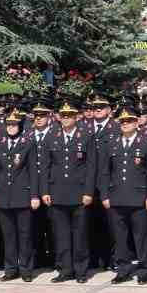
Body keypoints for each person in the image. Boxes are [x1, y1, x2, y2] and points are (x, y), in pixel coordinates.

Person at [101, 107, 147, 284]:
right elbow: (105, 173)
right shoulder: (112, 143)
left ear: (136, 122)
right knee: (120, 238)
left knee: (141, 237)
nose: (125, 124)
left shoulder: (145, 143)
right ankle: (123, 269)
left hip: (138, 198)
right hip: (116, 197)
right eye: (122, 122)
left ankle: (143, 270)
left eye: (129, 121)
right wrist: (104, 195)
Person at [43, 101, 95, 283]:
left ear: (76, 117)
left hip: (79, 193)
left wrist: (89, 192)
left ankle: (81, 271)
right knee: (61, 235)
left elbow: (91, 167)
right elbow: (46, 166)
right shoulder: (52, 137)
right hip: (57, 193)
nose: (66, 119)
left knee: (80, 235)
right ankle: (65, 270)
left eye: (69, 116)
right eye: (63, 116)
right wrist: (45, 191)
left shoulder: (86, 136)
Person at [0, 109, 41, 282]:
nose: (11, 128)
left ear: (20, 125)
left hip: (23, 195)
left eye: (14, 125)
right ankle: (10, 269)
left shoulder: (28, 143)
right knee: (8, 235)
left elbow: (34, 170)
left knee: (25, 235)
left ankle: (26, 269)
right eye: (9, 125)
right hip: (4, 195)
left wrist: (35, 195)